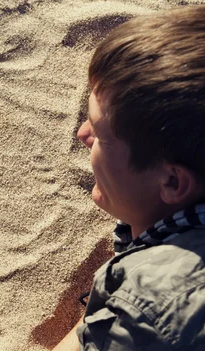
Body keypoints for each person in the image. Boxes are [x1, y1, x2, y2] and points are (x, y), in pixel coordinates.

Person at [53, 5, 205, 350]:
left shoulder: (155, 310)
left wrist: (119, 307)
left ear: (172, 183)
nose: (82, 134)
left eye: (101, 133)